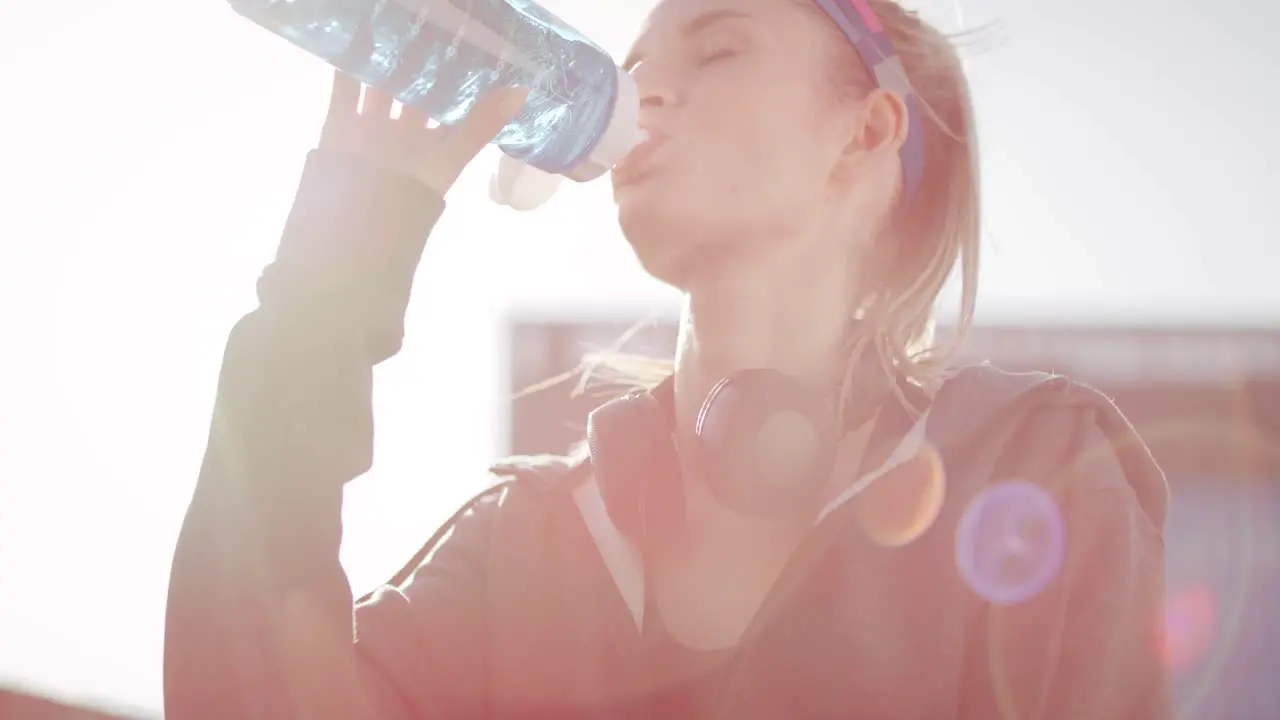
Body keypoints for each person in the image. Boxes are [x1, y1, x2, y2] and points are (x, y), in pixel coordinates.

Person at [164, 0, 1174, 718]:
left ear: (863, 133)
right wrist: (327, 287)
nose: (645, 95)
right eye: (635, 66)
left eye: (719, 50)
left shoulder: (1031, 466)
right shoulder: (526, 543)